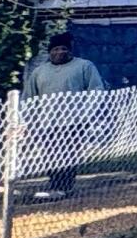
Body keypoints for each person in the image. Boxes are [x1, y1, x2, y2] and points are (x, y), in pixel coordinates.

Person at [20, 33, 109, 198]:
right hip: (47, 121)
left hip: (74, 120)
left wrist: (86, 113)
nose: (60, 52)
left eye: (64, 49)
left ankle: (66, 186)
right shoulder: (40, 72)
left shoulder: (84, 66)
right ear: (50, 52)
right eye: (56, 49)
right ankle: (54, 186)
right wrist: (28, 120)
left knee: (68, 153)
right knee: (51, 154)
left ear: (70, 51)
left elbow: (96, 90)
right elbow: (29, 97)